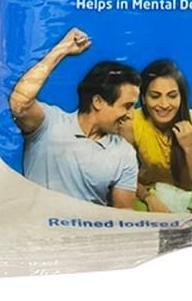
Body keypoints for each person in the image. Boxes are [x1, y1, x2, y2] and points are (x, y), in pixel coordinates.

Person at [8, 27, 141, 208]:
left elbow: (123, 215)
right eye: (127, 106)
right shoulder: (50, 124)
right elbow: (19, 102)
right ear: (98, 102)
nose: (131, 115)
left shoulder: (124, 154)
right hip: (37, 224)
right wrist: (61, 50)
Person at [120, 60, 192, 199]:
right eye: (155, 96)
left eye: (172, 96)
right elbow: (122, 175)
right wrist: (148, 198)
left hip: (188, 200)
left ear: (181, 98)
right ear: (143, 98)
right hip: (147, 194)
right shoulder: (130, 123)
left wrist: (189, 147)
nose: (164, 104)